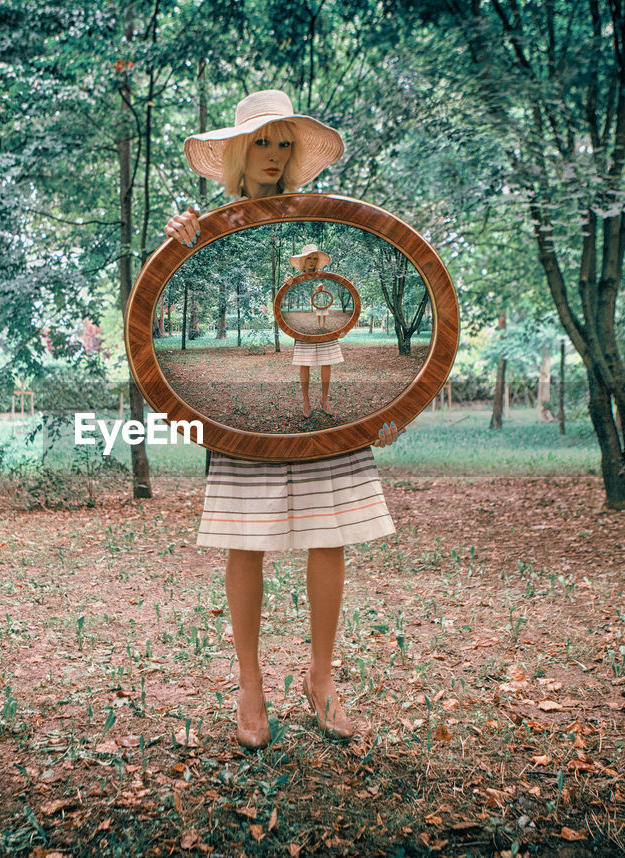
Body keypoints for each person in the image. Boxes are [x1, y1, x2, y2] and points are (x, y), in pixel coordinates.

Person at [164, 89, 402, 749]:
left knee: (332, 536)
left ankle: (321, 678)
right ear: (239, 149)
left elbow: (339, 308)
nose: (273, 155)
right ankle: (251, 685)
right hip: (237, 425)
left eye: (283, 143)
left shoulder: (321, 224)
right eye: (263, 142)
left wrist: (384, 406)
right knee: (248, 542)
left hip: (327, 418)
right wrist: (181, 239)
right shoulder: (206, 232)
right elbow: (163, 297)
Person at [287, 244, 342, 416]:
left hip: (325, 332)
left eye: (315, 258)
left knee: (327, 363)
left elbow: (329, 298)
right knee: (305, 364)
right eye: (309, 258)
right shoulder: (295, 281)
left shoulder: (325, 279)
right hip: (302, 332)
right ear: (303, 260)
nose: (312, 261)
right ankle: (306, 402)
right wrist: (288, 285)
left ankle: (324, 400)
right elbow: (284, 300)